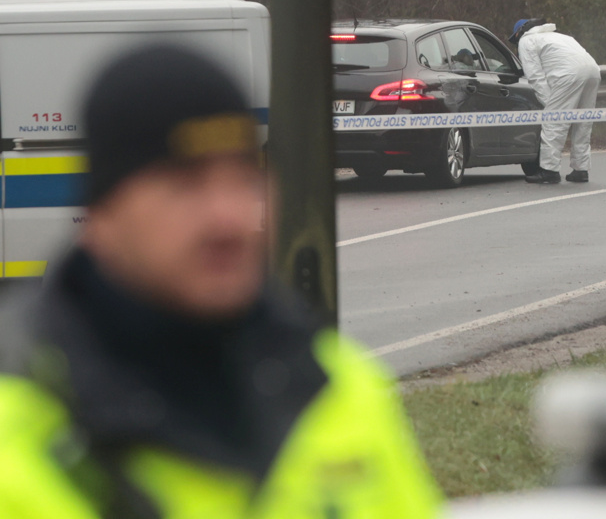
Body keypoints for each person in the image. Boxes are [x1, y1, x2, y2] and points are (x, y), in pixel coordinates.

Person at [0, 44, 441, 519]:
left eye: (243, 178)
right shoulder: (19, 422)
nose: (228, 218)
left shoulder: (339, 386)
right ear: (101, 214)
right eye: (185, 184)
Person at [510, 19, 601, 184]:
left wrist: (550, 106)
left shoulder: (526, 40)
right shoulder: (560, 36)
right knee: (583, 122)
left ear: (519, 33)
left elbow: (535, 76)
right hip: (593, 71)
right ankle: (581, 170)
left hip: (569, 74)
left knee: (553, 123)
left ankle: (549, 171)